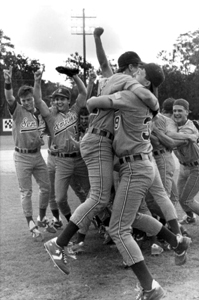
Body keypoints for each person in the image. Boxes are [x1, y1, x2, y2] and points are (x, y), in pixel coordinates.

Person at [3, 66, 56, 241]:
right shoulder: (17, 110)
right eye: (24, 100)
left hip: (37, 155)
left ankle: (41, 217)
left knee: (46, 187)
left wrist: (37, 81)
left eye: (29, 99)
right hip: (22, 156)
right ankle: (30, 223)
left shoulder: (40, 112)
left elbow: (44, 132)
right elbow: (9, 97)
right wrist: (8, 81)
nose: (27, 102)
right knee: (26, 191)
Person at [33, 69, 90, 225]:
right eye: (56, 99)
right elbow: (38, 101)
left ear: (68, 101)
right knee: (59, 198)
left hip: (79, 159)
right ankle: (72, 222)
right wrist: (37, 81)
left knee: (90, 193)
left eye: (62, 99)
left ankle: (98, 221)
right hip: (62, 161)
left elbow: (84, 93)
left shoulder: (74, 112)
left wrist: (74, 76)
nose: (58, 102)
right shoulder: (51, 116)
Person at [171, 99, 199, 224]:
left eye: (180, 110)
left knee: (187, 200)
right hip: (183, 167)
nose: (176, 113)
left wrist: (160, 133)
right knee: (180, 198)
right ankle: (190, 217)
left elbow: (172, 141)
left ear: (187, 112)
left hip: (196, 168)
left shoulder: (189, 128)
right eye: (174, 111)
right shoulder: (174, 126)